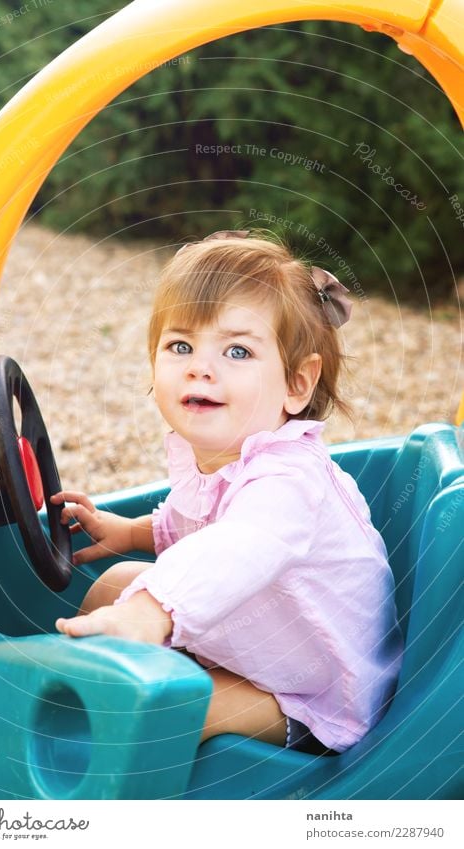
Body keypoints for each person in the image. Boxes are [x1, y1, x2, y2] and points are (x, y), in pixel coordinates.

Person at [51, 230, 403, 754]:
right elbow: (202, 522)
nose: (200, 366)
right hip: (252, 638)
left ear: (296, 384)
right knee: (116, 582)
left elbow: (239, 545)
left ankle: (95, 768)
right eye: (180, 345)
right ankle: (67, 703)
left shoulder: (290, 480)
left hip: (308, 690)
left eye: (237, 350)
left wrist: (150, 614)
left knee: (172, 703)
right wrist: (130, 532)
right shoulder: (219, 456)